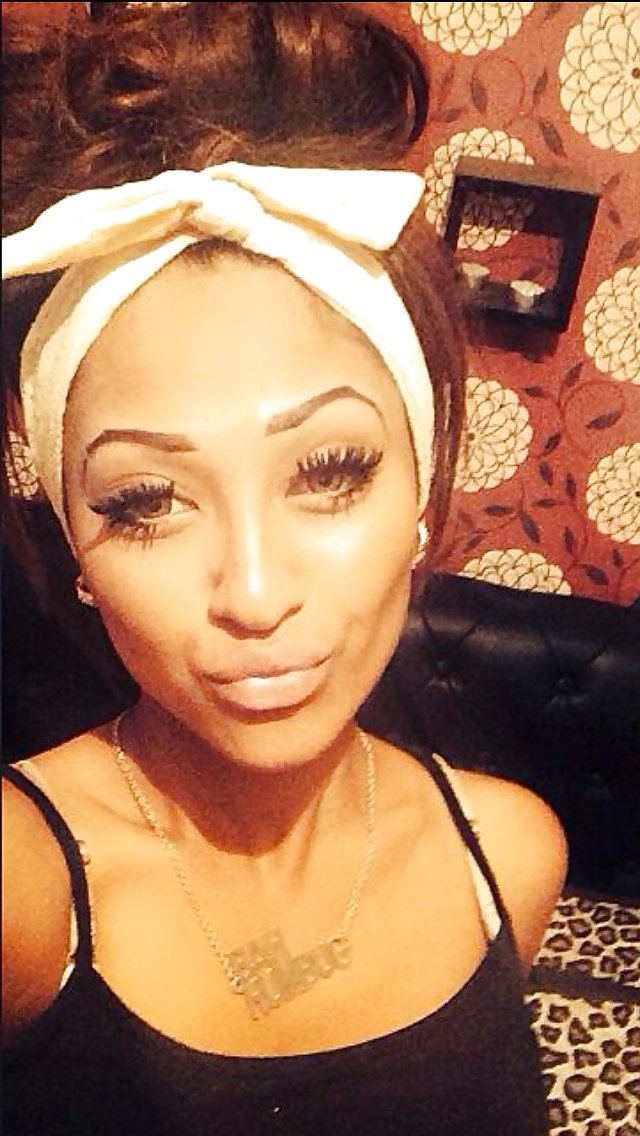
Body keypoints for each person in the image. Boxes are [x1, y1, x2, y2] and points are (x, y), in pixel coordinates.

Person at [2, 4, 567, 1134]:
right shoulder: (21, 888)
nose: (255, 595)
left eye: (330, 470)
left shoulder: (511, 856)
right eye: (146, 502)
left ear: (421, 495)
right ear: (76, 548)